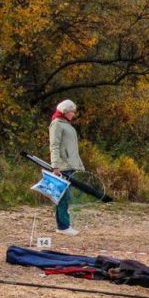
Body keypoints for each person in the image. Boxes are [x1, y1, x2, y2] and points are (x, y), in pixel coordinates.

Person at [49, 99, 84, 236]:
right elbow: (55, 146)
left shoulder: (66, 124)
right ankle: (63, 226)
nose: (73, 114)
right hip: (62, 166)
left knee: (67, 197)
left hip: (71, 165)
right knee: (64, 196)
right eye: (71, 111)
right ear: (65, 111)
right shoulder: (57, 124)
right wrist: (55, 166)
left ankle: (64, 225)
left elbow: (72, 148)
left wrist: (79, 164)